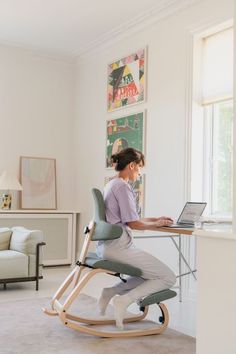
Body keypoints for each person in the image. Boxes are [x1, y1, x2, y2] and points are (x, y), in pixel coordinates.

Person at [96, 147, 176, 330]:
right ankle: (124, 300)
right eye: (139, 168)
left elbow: (131, 220)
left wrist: (156, 219)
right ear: (131, 165)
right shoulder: (123, 186)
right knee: (168, 277)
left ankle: (110, 292)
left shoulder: (111, 184)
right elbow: (134, 225)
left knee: (146, 274)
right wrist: (157, 225)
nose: (139, 172)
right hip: (119, 247)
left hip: (108, 246)